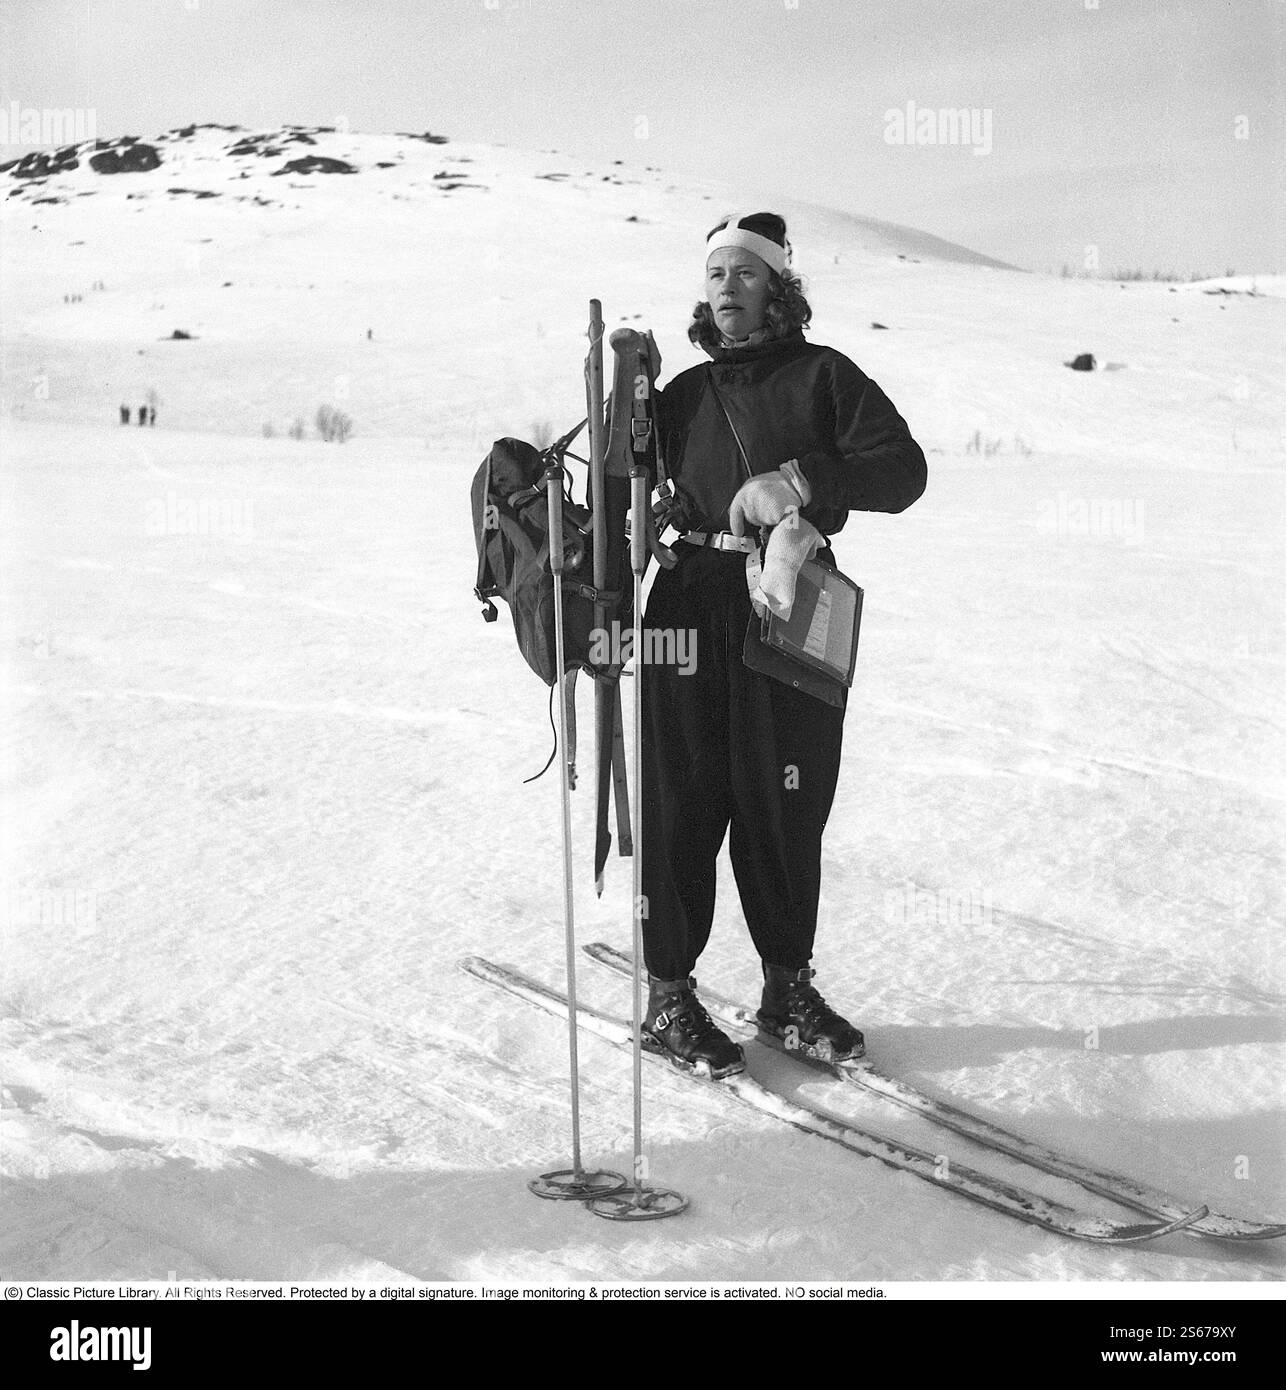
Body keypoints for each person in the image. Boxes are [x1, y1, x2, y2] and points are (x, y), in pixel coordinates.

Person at [640, 212, 927, 1077]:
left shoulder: (824, 378)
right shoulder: (682, 395)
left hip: (793, 604)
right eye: (716, 273)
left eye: (747, 273)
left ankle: (786, 988)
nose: (728, 286)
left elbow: (903, 471)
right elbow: (625, 484)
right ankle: (668, 996)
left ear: (780, 288)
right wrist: (621, 396)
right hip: (688, 604)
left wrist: (803, 480)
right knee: (683, 796)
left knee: (786, 802)